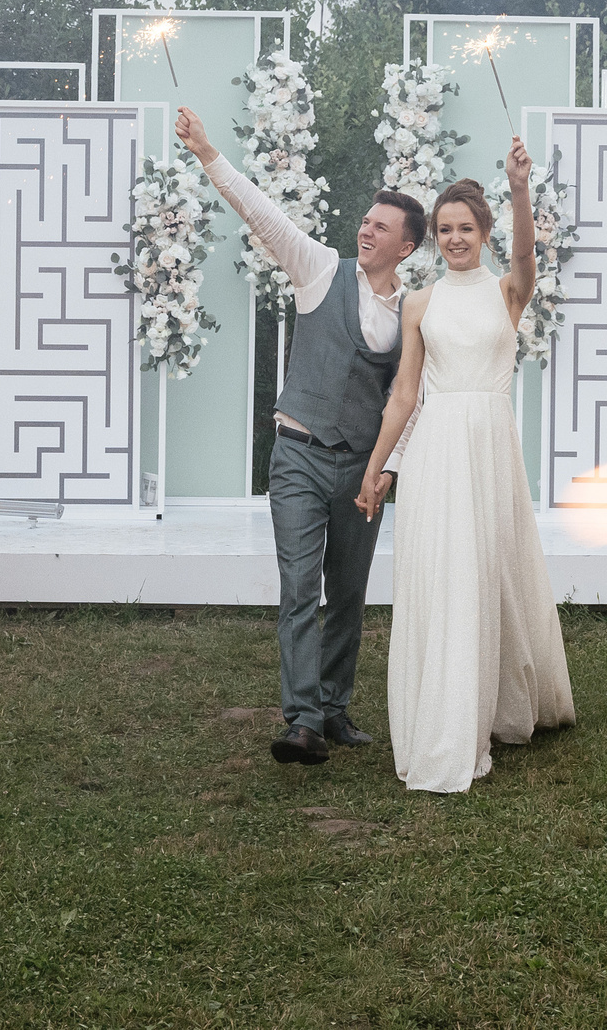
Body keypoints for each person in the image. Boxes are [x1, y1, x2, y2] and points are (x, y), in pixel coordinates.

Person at [178, 105, 425, 767]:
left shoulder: (413, 310)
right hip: (299, 455)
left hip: (362, 468)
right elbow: (264, 213)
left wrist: (387, 469)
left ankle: (336, 707)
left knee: (348, 590)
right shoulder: (319, 267)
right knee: (299, 584)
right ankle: (304, 720)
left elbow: (412, 399)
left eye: (381, 227)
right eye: (366, 220)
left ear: (407, 246)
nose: (365, 230)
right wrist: (208, 152)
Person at [355, 145, 575, 794]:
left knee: (488, 572)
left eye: (466, 228)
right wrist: (377, 469)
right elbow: (404, 394)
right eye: (445, 229)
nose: (454, 238)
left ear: (484, 232)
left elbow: (529, 256)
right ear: (435, 238)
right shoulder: (419, 303)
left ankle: (494, 704)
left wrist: (519, 188)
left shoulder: (509, 290)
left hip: (490, 448)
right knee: (447, 579)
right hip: (436, 453)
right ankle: (444, 720)